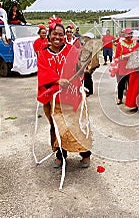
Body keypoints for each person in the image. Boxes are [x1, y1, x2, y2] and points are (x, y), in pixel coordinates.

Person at [37, 22, 92, 169]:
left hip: (72, 95)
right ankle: (61, 154)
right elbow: (43, 73)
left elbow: (79, 69)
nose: (57, 37)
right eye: (54, 34)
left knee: (75, 125)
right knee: (58, 126)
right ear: (49, 36)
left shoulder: (72, 50)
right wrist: (57, 80)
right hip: (54, 98)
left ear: (65, 37)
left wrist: (83, 66)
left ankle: (85, 153)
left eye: (61, 34)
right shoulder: (43, 54)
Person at [113, 28, 138, 105]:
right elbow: (117, 56)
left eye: (130, 34)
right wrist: (126, 56)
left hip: (132, 67)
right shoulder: (120, 44)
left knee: (132, 84)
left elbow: (138, 53)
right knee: (121, 83)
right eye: (127, 35)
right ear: (124, 35)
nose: (129, 36)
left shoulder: (136, 43)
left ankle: (131, 100)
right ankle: (120, 98)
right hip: (123, 67)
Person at [83, 32, 100, 96]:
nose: (84, 39)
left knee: (87, 77)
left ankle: (89, 90)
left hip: (89, 64)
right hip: (86, 63)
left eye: (86, 38)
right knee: (87, 77)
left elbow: (92, 57)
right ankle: (88, 90)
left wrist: (90, 66)